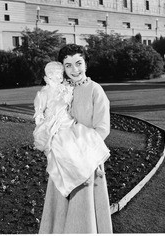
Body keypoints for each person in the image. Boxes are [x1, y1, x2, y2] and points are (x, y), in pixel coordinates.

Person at [39, 44, 113, 234]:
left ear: (86, 64)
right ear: (62, 68)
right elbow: (50, 119)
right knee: (60, 207)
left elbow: (102, 128)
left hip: (86, 159)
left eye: (78, 63)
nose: (75, 70)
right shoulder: (60, 90)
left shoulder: (96, 90)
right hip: (62, 159)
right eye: (68, 65)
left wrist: (81, 153)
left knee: (83, 209)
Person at [33, 61, 110, 197]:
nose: (56, 76)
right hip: (54, 124)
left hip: (68, 121)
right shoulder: (44, 93)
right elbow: (39, 111)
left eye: (58, 73)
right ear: (46, 77)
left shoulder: (66, 88)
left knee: (83, 136)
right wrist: (41, 124)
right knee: (62, 146)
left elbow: (72, 100)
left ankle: (94, 165)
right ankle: (77, 175)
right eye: (52, 74)